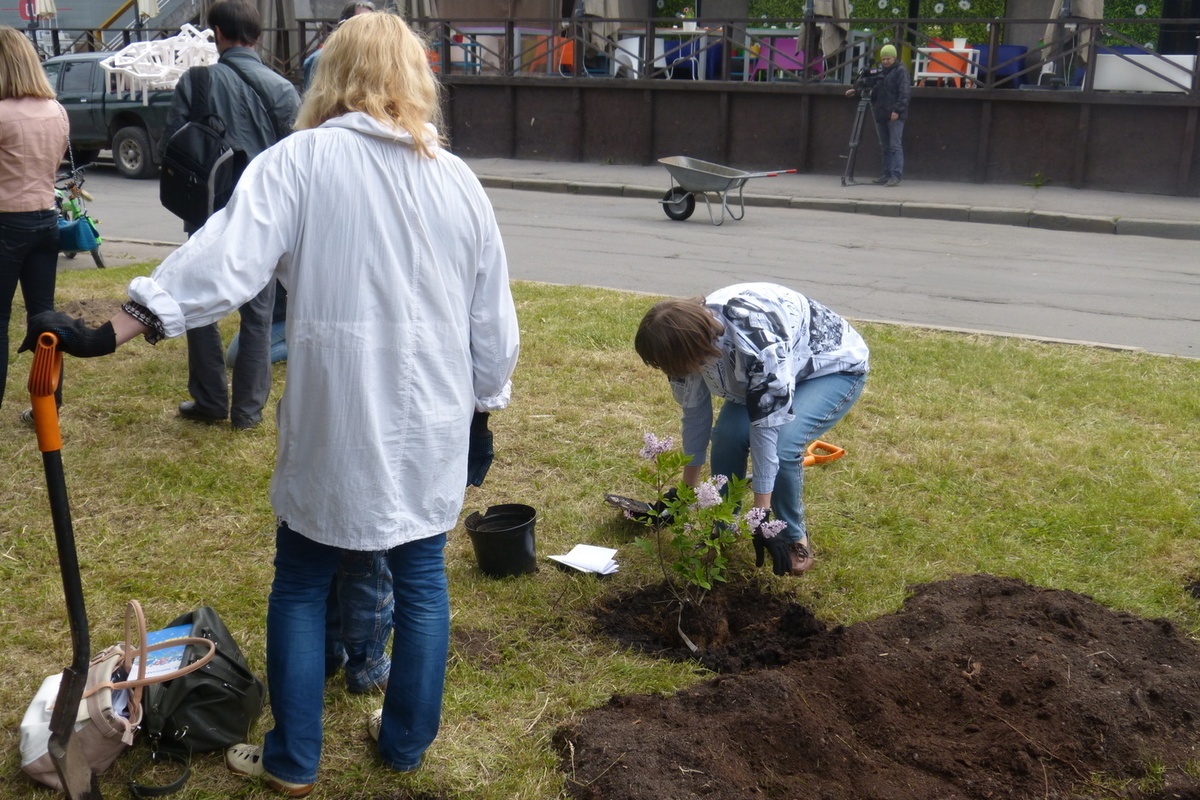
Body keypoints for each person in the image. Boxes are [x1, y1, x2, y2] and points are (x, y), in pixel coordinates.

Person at [25, 11, 520, 796]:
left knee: (303, 580)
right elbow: (493, 316)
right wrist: (484, 406)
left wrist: (116, 330)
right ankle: (402, 749)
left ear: (333, 73)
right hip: (430, 418)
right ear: (413, 80)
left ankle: (296, 761)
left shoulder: (306, 161)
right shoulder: (452, 177)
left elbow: (223, 257)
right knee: (421, 578)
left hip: (344, 420)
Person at [634, 283, 868, 577]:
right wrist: (686, 490)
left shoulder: (758, 343)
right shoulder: (683, 346)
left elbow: (766, 431)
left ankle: (794, 534)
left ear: (700, 347)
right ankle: (721, 527)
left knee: (783, 447)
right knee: (727, 437)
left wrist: (761, 515)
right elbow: (695, 417)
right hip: (765, 374)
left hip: (828, 368)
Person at [159, 0, 301, 431]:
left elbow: (173, 145)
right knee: (259, 313)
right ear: (256, 37)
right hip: (263, 217)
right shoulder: (282, 89)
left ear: (216, 33)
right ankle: (248, 412)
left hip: (207, 210)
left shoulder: (197, 81)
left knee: (199, 306)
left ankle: (209, 400)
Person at [0, 26, 69, 424]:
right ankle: (49, 403)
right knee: (44, 317)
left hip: (6, 223)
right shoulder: (55, 110)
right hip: (46, 219)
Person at [845, 43, 910, 187]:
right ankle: (886, 174)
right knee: (885, 146)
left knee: (895, 146)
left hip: (894, 114)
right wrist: (857, 90)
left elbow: (904, 93)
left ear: (894, 57)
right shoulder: (882, 72)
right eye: (883, 59)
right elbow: (875, 90)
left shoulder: (900, 71)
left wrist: (897, 111)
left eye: (888, 59)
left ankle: (895, 175)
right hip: (881, 112)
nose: (885, 62)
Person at [302, 1, 376, 90]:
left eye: (370, 23)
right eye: (360, 21)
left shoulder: (378, 59)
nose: (367, 28)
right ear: (344, 24)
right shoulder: (320, 59)